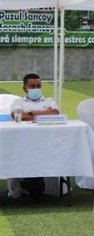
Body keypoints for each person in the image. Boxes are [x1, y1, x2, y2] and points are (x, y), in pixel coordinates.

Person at [8, 73, 60, 203]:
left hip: (46, 142)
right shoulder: (17, 102)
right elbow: (18, 115)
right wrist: (44, 114)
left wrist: (30, 113)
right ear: (25, 88)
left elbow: (55, 113)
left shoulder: (49, 101)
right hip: (22, 143)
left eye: (38, 86)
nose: (36, 89)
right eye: (32, 86)